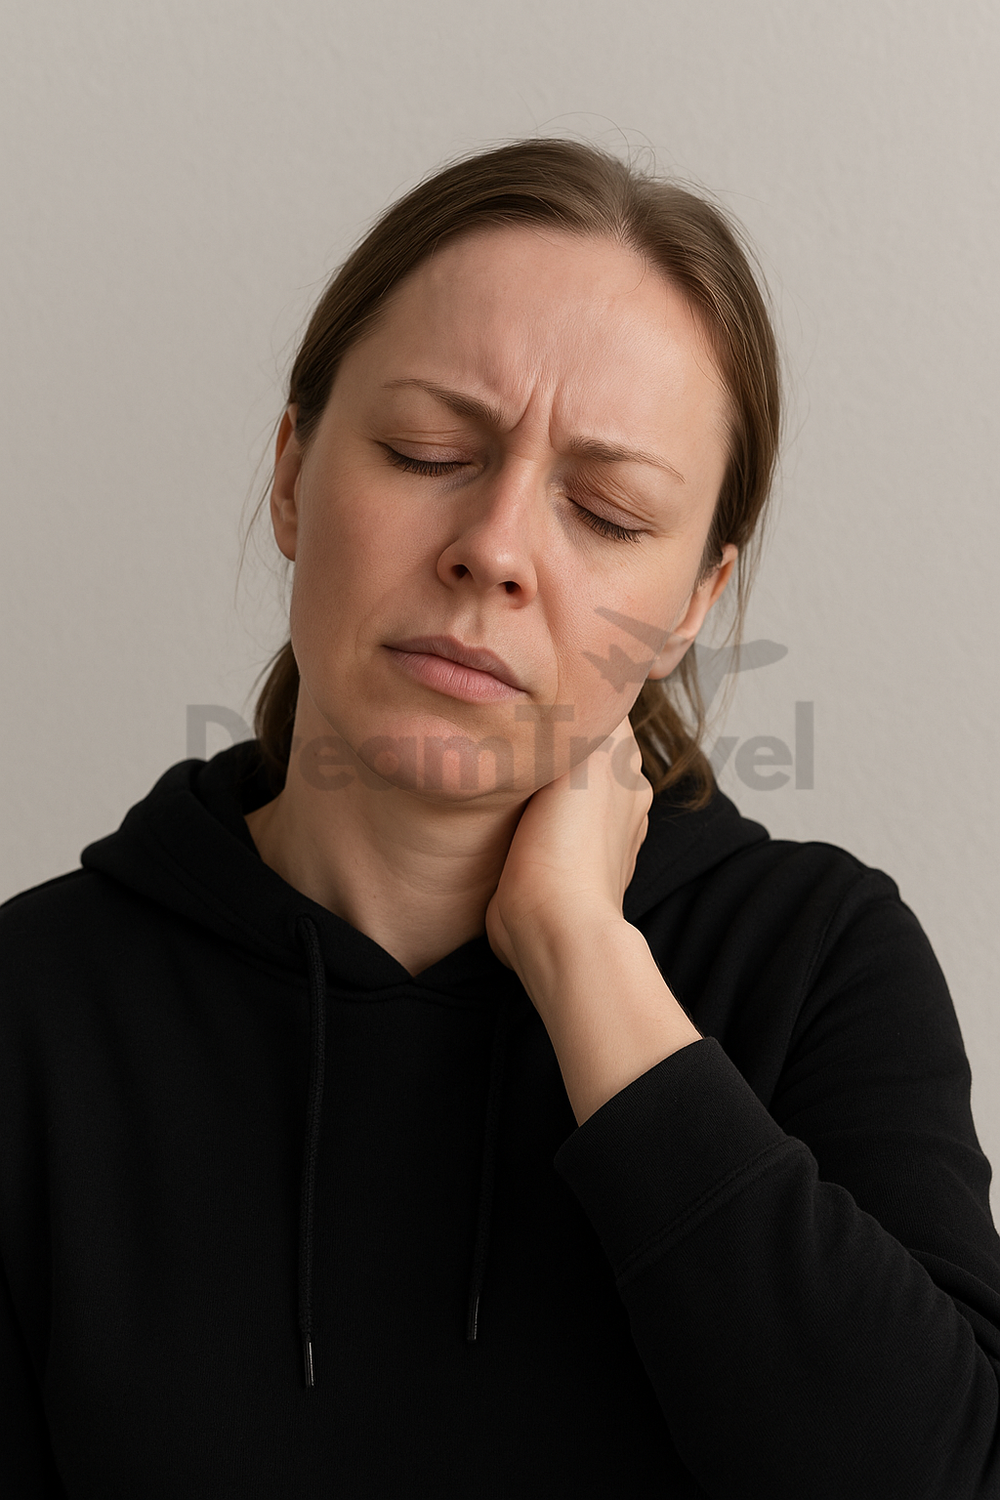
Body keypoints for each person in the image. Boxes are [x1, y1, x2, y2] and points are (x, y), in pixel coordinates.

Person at [2, 137, 999, 1500]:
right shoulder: (35, 1006)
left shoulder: (818, 962)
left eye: (609, 511)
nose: (496, 548)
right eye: (428, 451)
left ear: (694, 604)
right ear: (291, 474)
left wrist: (584, 956)